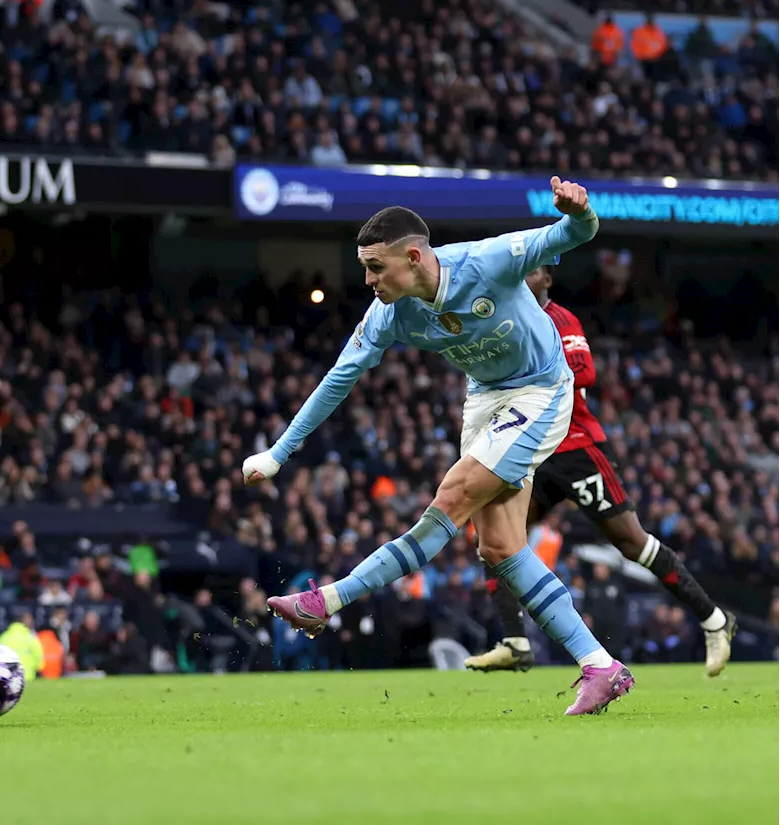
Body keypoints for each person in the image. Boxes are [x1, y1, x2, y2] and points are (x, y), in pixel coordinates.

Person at [243, 177, 632, 716]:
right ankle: (600, 666)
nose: (368, 279)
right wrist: (279, 453)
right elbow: (338, 379)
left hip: (542, 390)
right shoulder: (389, 313)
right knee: (499, 549)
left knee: (451, 497)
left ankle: (327, 600)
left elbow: (575, 234)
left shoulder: (489, 261)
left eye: (376, 267)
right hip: (484, 400)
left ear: (413, 256)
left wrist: (580, 210)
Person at [466, 266, 735, 675]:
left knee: (632, 542)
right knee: (495, 538)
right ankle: (515, 640)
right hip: (530, 451)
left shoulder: (561, 319)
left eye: (532, 272)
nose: (523, 280)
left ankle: (715, 620)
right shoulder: (504, 319)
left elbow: (583, 372)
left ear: (548, 280)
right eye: (518, 273)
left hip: (575, 448)